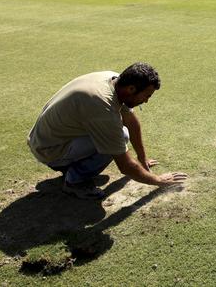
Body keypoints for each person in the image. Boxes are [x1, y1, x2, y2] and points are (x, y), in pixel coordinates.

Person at [27, 62, 187, 199]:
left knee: (121, 133)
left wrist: (142, 158)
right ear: (132, 89)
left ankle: (72, 167)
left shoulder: (116, 80)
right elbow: (125, 166)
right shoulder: (102, 106)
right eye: (147, 96)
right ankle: (74, 181)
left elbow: (131, 121)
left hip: (48, 139)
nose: (146, 101)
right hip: (49, 150)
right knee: (120, 136)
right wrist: (158, 180)